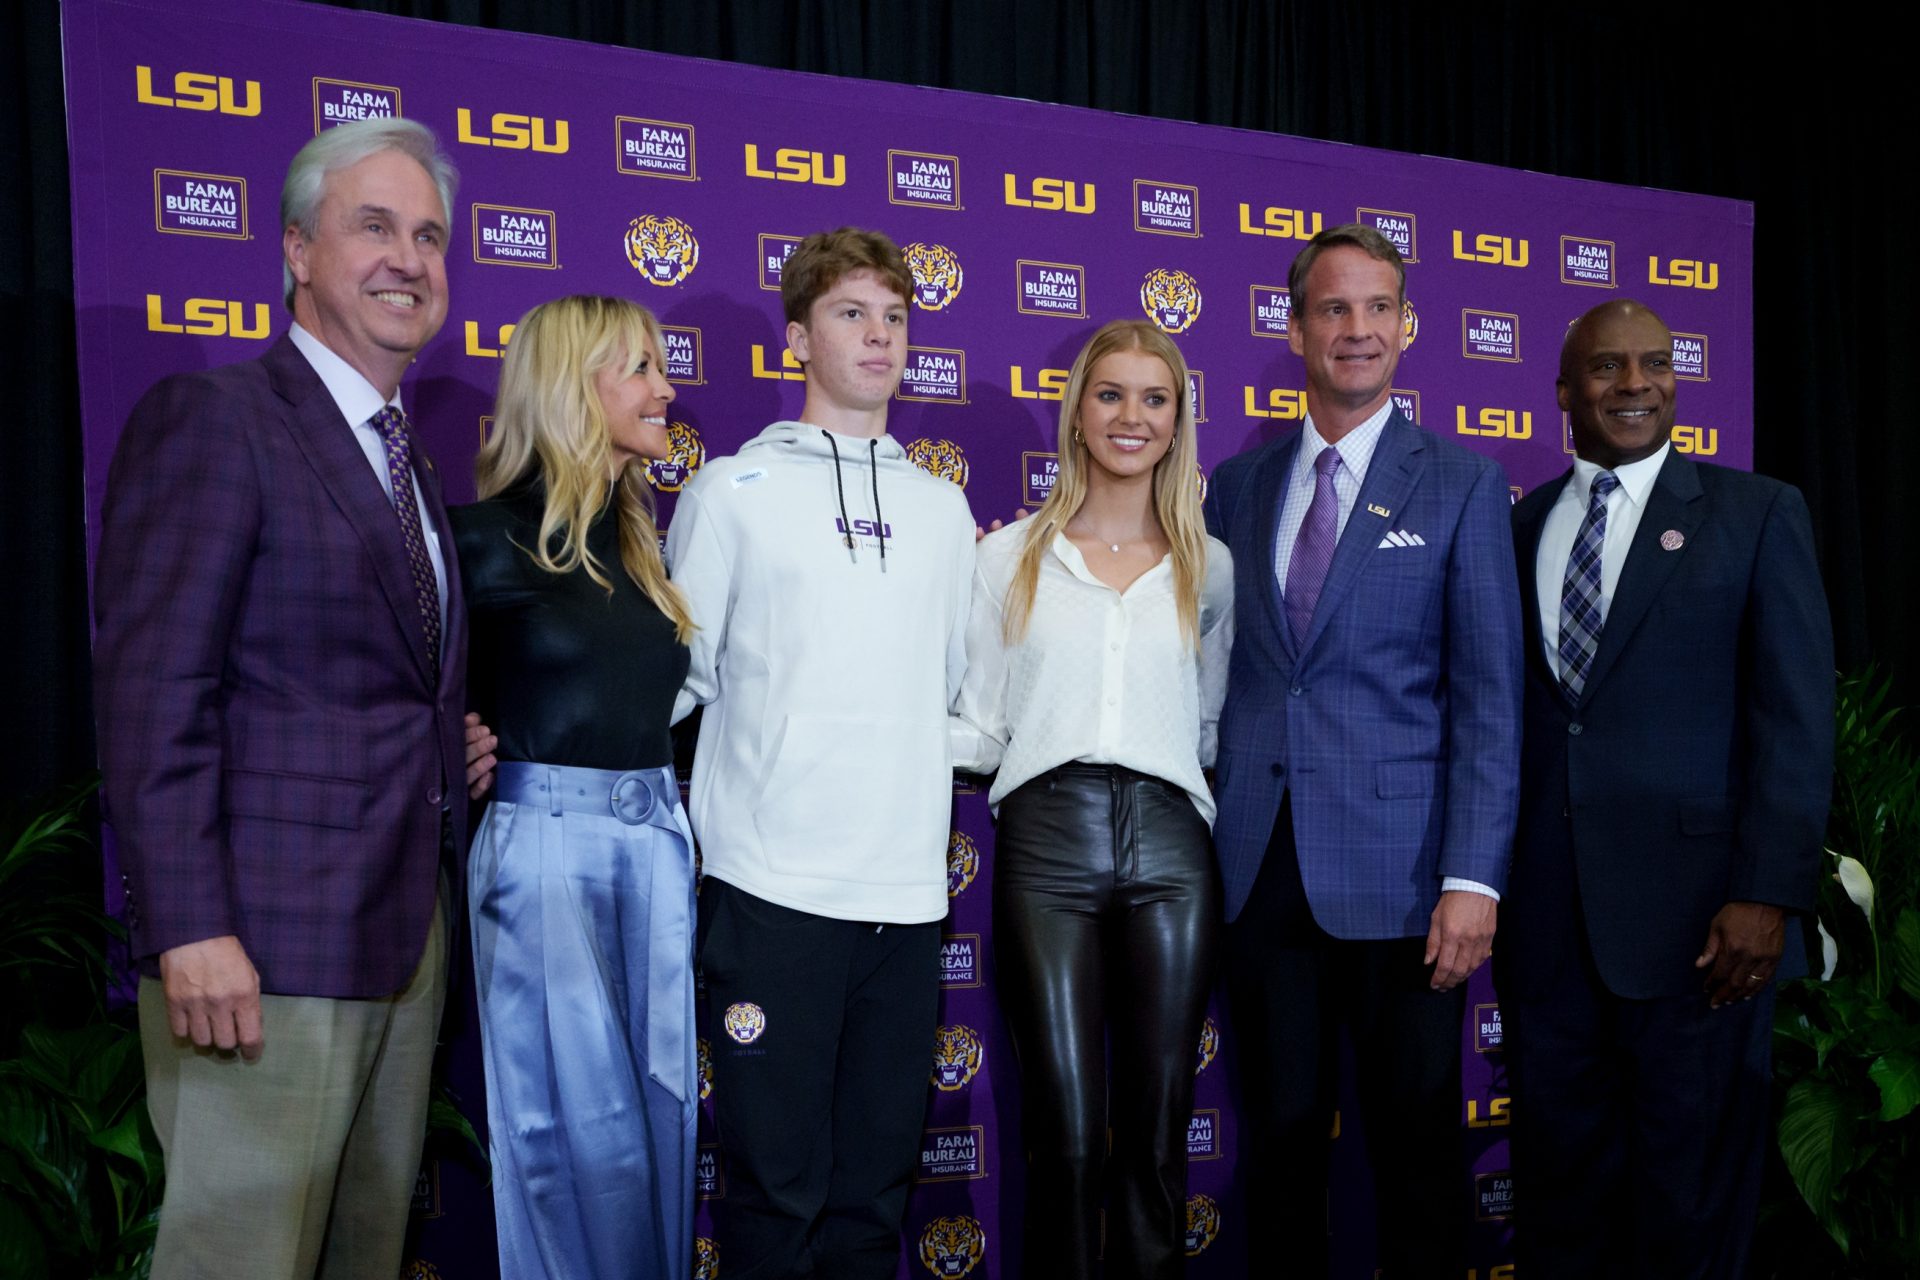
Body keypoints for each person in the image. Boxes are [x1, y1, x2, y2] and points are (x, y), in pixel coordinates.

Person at [92, 117, 471, 1280]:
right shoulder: (217, 419)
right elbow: (157, 691)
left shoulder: (405, 461)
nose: (407, 257)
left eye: (428, 235)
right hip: (261, 948)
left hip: (399, 941)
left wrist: (447, 752)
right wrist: (191, 925)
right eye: (374, 226)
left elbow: (358, 677)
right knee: (238, 1260)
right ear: (299, 251)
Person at [1202, 223, 1523, 1277]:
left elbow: (1487, 693)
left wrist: (1473, 877)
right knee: (1282, 1141)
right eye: (1333, 308)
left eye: (1377, 307)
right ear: (1294, 327)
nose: (1356, 329)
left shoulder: (1464, 484)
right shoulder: (1236, 486)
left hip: (1408, 878)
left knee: (1419, 1147)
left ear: (1408, 325)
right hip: (1261, 867)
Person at [665, 227, 976, 1279]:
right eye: (852, 313)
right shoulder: (728, 495)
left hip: (902, 897)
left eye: (895, 317)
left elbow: (957, 698)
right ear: (798, 336)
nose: (880, 336)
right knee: (771, 1188)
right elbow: (674, 686)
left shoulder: (943, 513)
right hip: (768, 890)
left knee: (870, 1196)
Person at [1499, 299, 1833, 1277]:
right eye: (1606, 368)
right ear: (1563, 392)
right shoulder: (1516, 525)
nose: (1634, 384)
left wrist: (1769, 892)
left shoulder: (1756, 512)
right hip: (1549, 932)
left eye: (1654, 364)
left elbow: (1795, 718)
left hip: (1705, 934)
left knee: (1692, 1208)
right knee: (1562, 1204)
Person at [953, 319, 1231, 1278]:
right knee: (1066, 1139)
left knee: (1157, 1140)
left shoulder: (1212, 568)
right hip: (1047, 845)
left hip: (1173, 849)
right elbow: (983, 727)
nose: (1131, 417)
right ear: (1077, 409)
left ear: (1178, 419)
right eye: (1111, 393)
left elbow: (1209, 732)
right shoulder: (1008, 558)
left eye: (1155, 398)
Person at [451, 295, 699, 1279]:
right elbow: (402, 695)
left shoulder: (646, 550)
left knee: (664, 1117)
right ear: (573, 387)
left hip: (658, 844)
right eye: (639, 368)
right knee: (573, 1140)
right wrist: (455, 742)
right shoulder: (473, 539)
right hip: (545, 856)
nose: (666, 388)